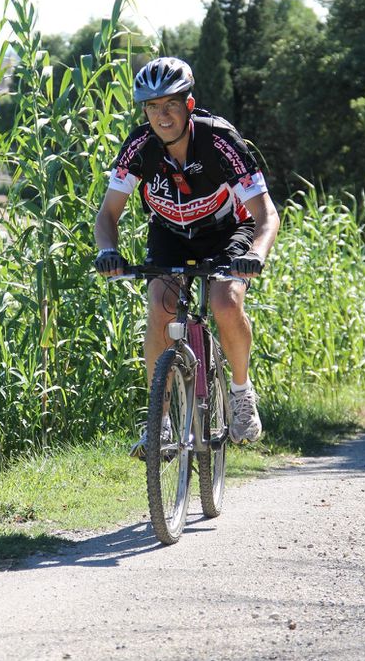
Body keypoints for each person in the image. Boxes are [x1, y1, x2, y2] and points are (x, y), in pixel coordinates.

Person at [94, 57, 280, 455]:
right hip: (170, 232)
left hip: (228, 230)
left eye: (170, 105)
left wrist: (256, 254)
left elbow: (267, 214)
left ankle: (241, 393)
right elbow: (107, 214)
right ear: (144, 112)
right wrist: (108, 251)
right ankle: (158, 423)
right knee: (160, 306)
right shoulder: (139, 148)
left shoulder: (219, 141)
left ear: (188, 105)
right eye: (152, 107)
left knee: (224, 301)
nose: (162, 115)